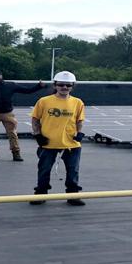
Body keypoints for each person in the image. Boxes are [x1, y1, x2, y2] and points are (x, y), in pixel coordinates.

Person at [29, 72, 87, 206]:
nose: (64, 87)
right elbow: (35, 119)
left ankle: (73, 195)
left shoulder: (77, 102)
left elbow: (79, 120)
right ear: (55, 85)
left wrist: (79, 132)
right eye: (61, 84)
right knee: (44, 169)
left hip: (71, 143)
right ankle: (40, 194)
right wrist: (37, 135)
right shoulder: (44, 101)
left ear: (72, 86)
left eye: (68, 85)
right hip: (48, 143)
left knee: (73, 170)